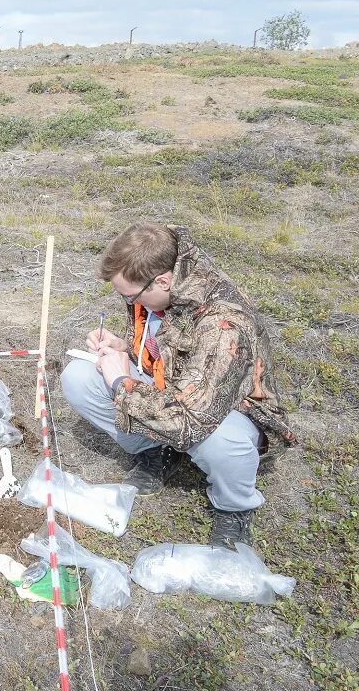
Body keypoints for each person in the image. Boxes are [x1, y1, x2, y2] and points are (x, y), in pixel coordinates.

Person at [60, 222, 296, 549]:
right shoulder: (160, 285)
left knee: (221, 441)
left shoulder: (223, 323)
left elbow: (191, 421)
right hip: (175, 391)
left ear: (163, 280)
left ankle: (234, 507)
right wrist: (125, 349)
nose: (125, 301)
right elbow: (165, 351)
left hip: (227, 412)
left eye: (129, 296)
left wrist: (121, 382)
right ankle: (155, 452)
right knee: (79, 378)